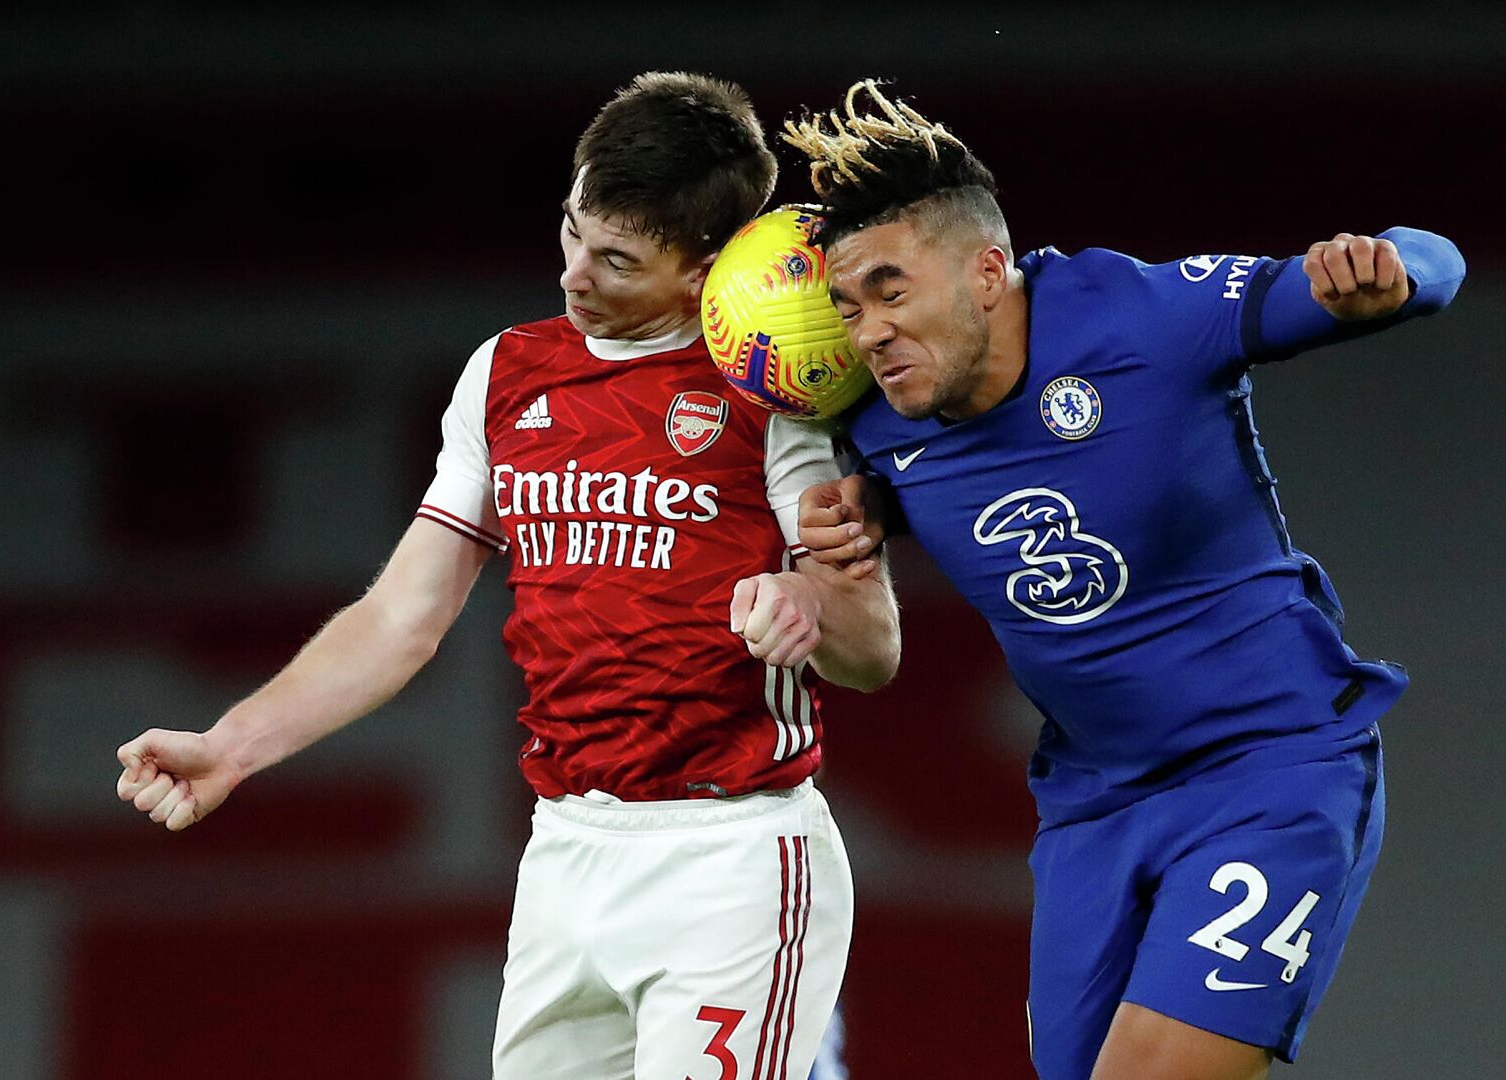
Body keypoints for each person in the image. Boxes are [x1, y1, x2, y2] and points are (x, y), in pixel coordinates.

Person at [112, 71, 901, 1080]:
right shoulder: (509, 373)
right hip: (566, 857)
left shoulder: (771, 395)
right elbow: (403, 615)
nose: (575, 273)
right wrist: (232, 746)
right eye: (572, 231)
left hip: (730, 855)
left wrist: (806, 603)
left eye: (616, 258)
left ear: (704, 269)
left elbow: (871, 651)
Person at [781, 79, 1463, 1079]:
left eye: (890, 289)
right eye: (847, 306)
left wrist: (1397, 267)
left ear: (985, 271)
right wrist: (862, 518)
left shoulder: (1146, 316)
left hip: (1268, 774)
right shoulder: (877, 421)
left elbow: (1431, 266)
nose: (869, 328)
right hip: (1092, 808)